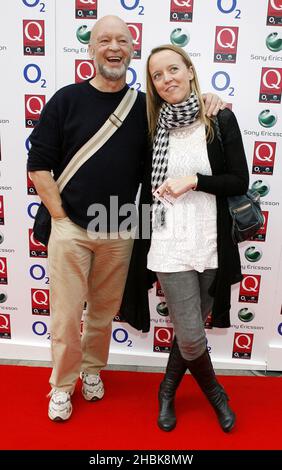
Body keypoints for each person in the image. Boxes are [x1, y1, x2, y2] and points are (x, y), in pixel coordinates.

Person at [27, 15, 225, 422]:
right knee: (65, 316)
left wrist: (211, 101)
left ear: (131, 50)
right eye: (104, 40)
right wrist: (61, 218)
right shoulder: (66, 99)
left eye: (122, 40)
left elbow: (180, 118)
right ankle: (62, 386)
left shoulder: (142, 107)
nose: (113, 47)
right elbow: (38, 166)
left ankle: (92, 371)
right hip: (72, 229)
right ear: (91, 49)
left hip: (119, 228)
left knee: (101, 314)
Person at [145, 44, 249, 433]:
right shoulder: (152, 127)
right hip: (170, 243)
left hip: (212, 242)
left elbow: (240, 180)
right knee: (190, 334)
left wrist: (194, 182)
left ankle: (167, 388)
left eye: (173, 69)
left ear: (189, 70)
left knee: (192, 330)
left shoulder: (218, 118)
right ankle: (216, 394)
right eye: (157, 75)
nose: (167, 78)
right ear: (153, 86)